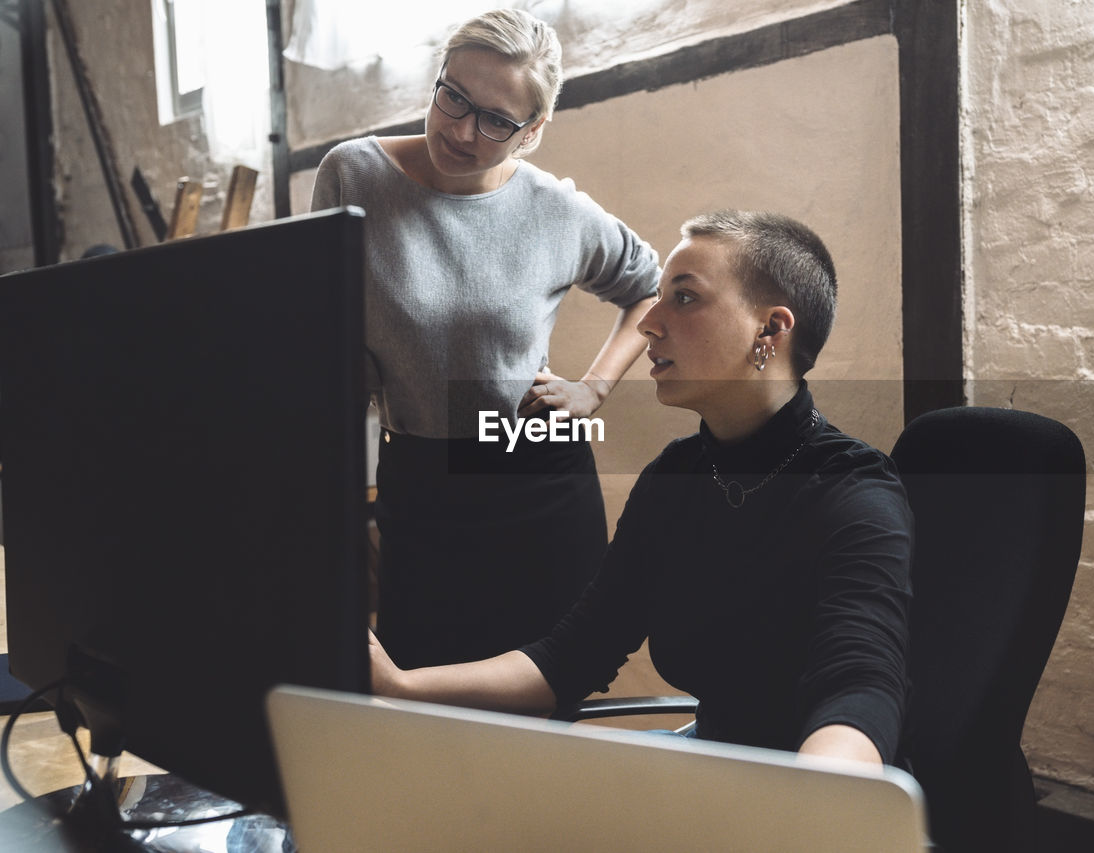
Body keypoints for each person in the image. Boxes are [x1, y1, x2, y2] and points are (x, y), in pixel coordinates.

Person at [369, 210, 913, 766]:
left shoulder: (854, 489)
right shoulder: (675, 478)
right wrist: (399, 686)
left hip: (810, 794)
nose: (650, 323)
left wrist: (819, 797)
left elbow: (861, 686)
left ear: (770, 330)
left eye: (683, 298)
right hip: (710, 761)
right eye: (656, 298)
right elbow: (570, 656)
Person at [311, 9, 660, 669]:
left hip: (540, 482)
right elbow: (329, 345)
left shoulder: (557, 211)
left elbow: (651, 287)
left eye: (496, 120)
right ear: (438, 80)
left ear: (533, 131)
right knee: (422, 700)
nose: (461, 130)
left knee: (550, 701)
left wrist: (593, 388)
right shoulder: (352, 176)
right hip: (419, 480)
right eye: (454, 98)